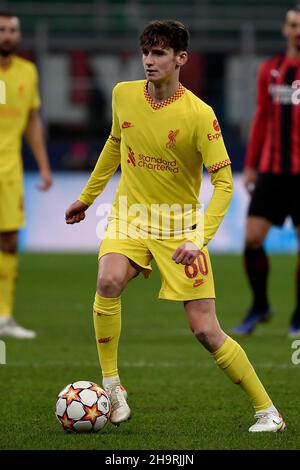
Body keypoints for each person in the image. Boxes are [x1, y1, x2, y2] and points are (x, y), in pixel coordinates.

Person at [66, 20, 286, 433]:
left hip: (178, 227)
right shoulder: (123, 95)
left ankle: (268, 411)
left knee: (205, 329)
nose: (149, 60)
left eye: (159, 53)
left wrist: (198, 239)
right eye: (146, 52)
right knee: (108, 281)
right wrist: (88, 196)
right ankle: (113, 388)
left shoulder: (200, 115)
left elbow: (224, 184)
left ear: (180, 59)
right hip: (129, 216)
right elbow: (115, 144)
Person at [233, 5, 300, 338]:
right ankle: (260, 305)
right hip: (272, 172)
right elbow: (261, 117)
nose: (297, 30)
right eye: (293, 25)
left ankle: (299, 316)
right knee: (252, 238)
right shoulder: (271, 69)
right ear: (285, 29)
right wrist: (250, 164)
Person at [0, 12, 52, 338]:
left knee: (8, 241)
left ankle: (4, 317)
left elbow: (33, 121)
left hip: (9, 169)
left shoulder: (27, 72)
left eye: (12, 30)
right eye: (2, 29)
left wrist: (44, 164)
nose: (7, 34)